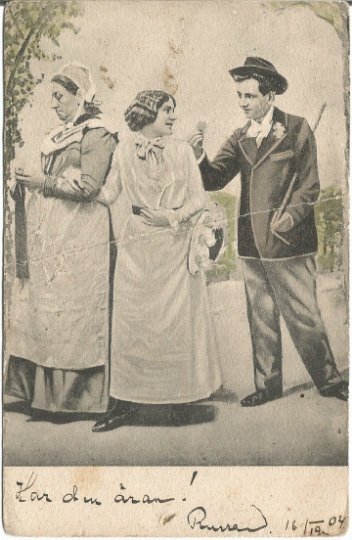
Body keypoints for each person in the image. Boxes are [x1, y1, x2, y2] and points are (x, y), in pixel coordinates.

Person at [188, 57, 348, 406]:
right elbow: (214, 178)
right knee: (260, 318)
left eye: (249, 96)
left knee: (303, 315)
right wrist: (198, 155)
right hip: (250, 244)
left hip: (290, 241)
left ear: (269, 96)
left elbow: (310, 187)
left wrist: (288, 218)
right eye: (239, 96)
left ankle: (329, 379)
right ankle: (267, 385)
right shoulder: (240, 136)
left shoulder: (297, 128)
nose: (242, 103)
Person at [92, 90, 221, 432]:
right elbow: (108, 193)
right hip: (136, 245)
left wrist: (172, 217)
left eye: (173, 111)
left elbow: (198, 199)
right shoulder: (123, 150)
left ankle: (177, 400)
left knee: (174, 324)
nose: (173, 117)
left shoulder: (180, 150)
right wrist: (80, 183)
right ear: (148, 112)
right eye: (167, 110)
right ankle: (122, 404)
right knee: (130, 324)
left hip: (174, 246)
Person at [6, 63, 118, 418]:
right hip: (53, 235)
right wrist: (23, 183)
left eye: (59, 96)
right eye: (52, 97)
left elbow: (89, 187)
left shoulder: (98, 133)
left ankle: (74, 398)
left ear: (80, 95)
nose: (54, 104)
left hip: (83, 233)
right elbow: (50, 178)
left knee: (75, 314)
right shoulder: (57, 135)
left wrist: (41, 182)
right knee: (47, 308)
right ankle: (36, 395)